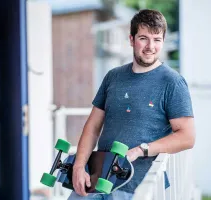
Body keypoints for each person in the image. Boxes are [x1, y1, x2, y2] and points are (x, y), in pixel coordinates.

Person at [68, 9, 196, 200]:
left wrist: (141, 149)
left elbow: (187, 137)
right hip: (97, 181)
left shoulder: (173, 82)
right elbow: (93, 126)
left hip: (138, 188)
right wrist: (79, 166)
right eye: (144, 38)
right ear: (131, 39)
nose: (150, 46)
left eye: (157, 39)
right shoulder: (113, 76)